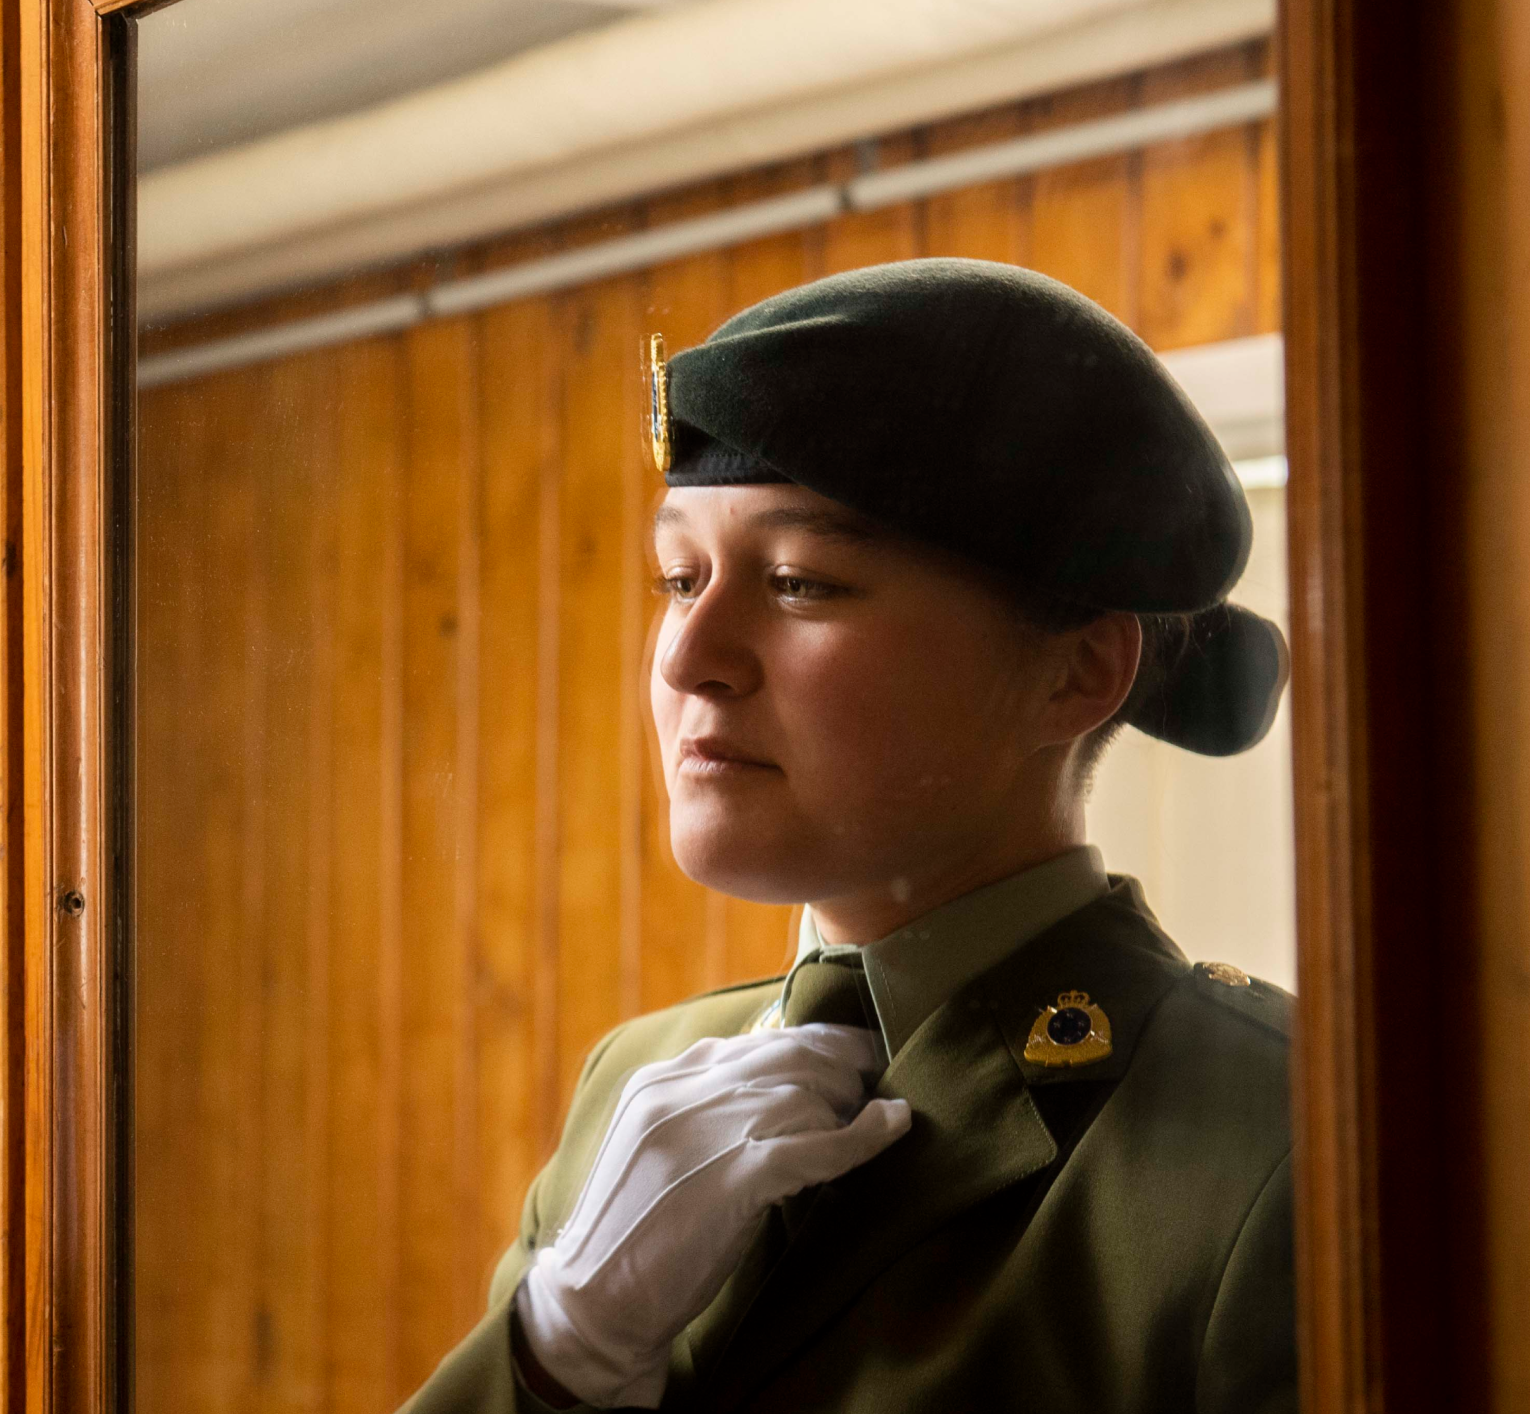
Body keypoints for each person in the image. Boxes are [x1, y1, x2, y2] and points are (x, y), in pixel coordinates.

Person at [402, 258, 1295, 1414]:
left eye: (799, 580)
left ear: (1074, 672)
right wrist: (551, 1351)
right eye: (678, 577)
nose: (683, 657)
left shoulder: (1272, 1138)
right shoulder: (634, 1079)